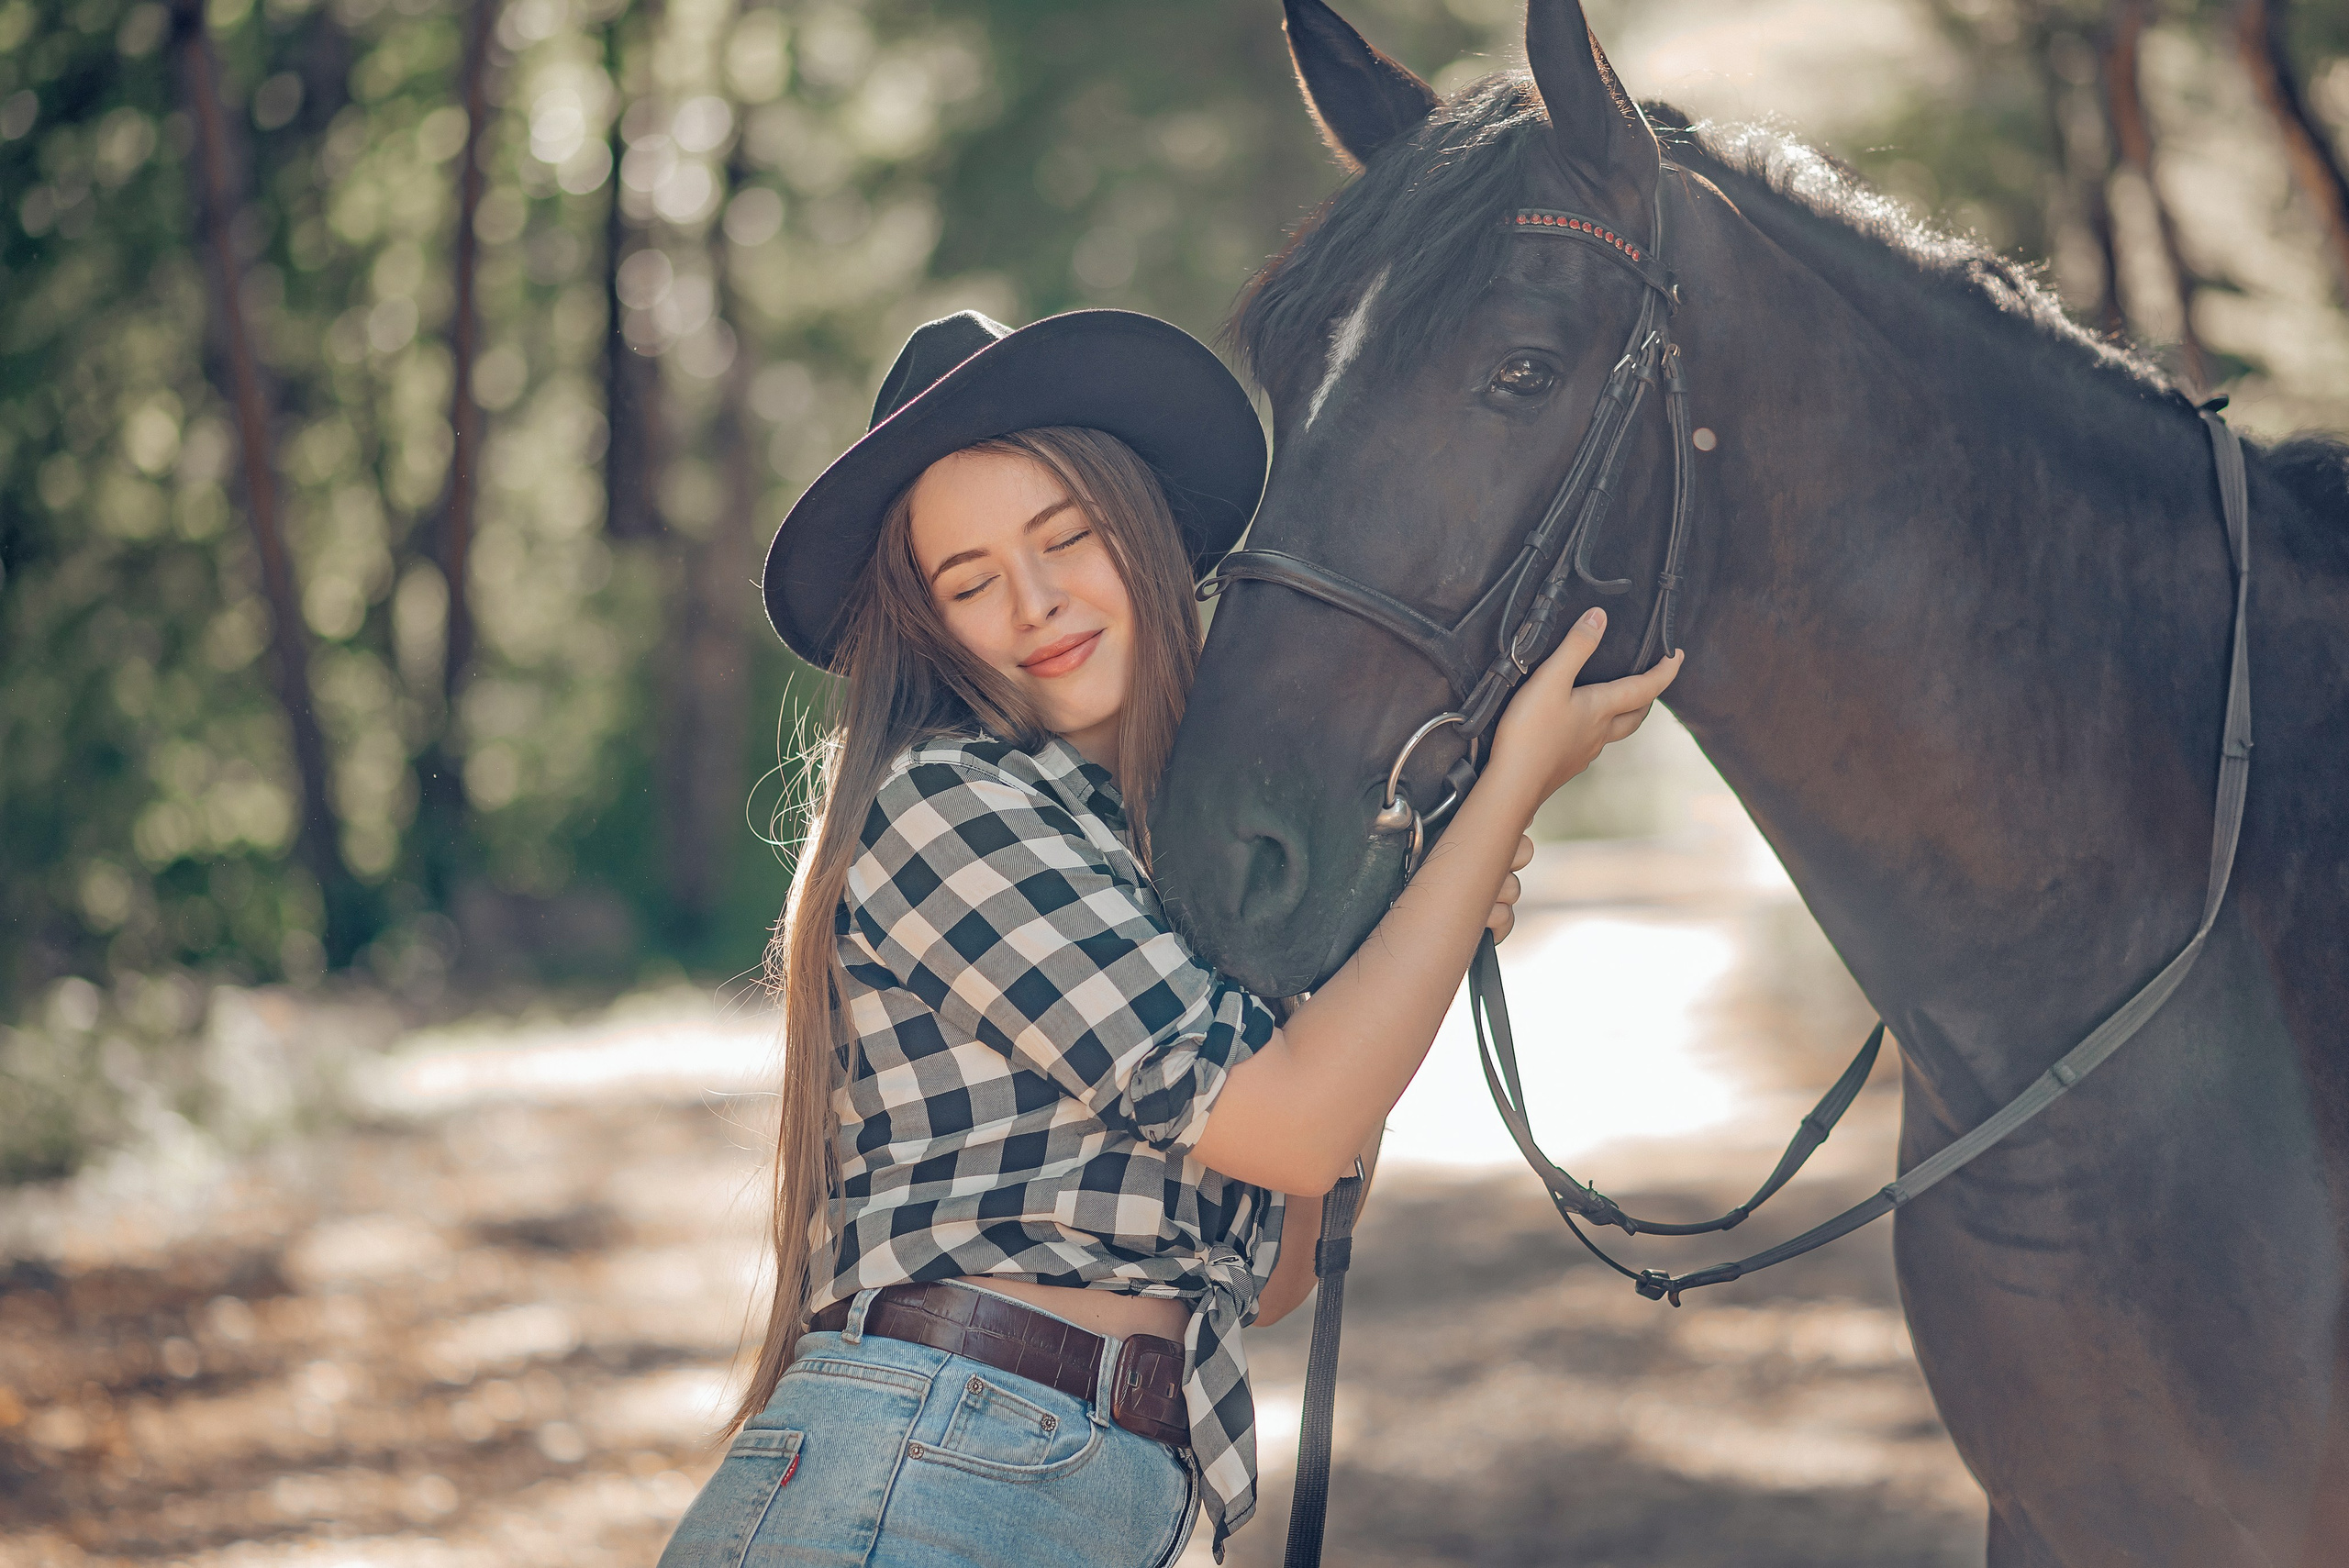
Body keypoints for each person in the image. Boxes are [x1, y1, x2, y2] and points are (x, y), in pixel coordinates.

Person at [656, 309, 1682, 1568]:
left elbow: (1281, 1262)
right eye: (970, 583)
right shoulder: (950, 807)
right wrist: (1507, 792)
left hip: (1077, 1487)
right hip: (933, 1475)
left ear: (1139, 529)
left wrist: (1387, 937)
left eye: (1065, 538)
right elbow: (1292, 1122)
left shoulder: (1141, 858)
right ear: (929, 627)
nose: (1035, 603)